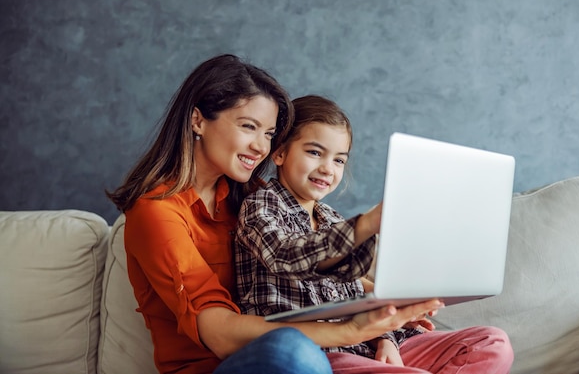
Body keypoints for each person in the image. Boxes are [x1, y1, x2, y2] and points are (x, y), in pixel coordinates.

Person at [106, 54, 446, 374]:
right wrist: (349, 329)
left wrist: (388, 302)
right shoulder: (157, 213)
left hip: (302, 354)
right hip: (219, 366)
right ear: (198, 120)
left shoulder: (251, 195)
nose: (261, 147)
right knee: (292, 349)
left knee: (481, 342)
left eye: (268, 134)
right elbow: (220, 336)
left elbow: (313, 269)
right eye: (248, 126)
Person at [235, 94, 515, 373]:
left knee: (492, 343)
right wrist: (367, 223)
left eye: (339, 161)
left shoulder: (332, 219)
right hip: (319, 353)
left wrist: (387, 337)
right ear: (280, 152)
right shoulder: (261, 205)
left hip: (366, 344)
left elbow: (355, 295)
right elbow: (286, 256)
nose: (327, 169)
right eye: (315, 152)